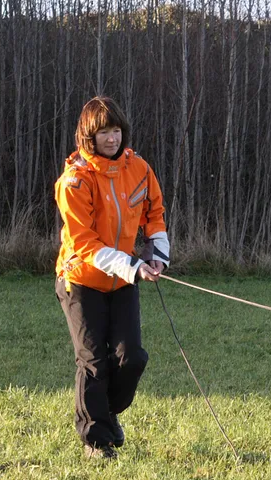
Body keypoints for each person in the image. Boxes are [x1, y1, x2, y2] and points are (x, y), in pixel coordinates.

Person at [54, 96, 170, 459]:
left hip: (122, 282)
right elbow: (84, 242)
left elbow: (155, 211)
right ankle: (97, 441)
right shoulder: (74, 180)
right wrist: (131, 265)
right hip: (81, 280)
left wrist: (157, 254)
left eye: (116, 131)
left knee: (131, 358)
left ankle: (105, 412)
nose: (111, 138)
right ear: (88, 136)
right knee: (93, 361)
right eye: (103, 132)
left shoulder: (139, 168)